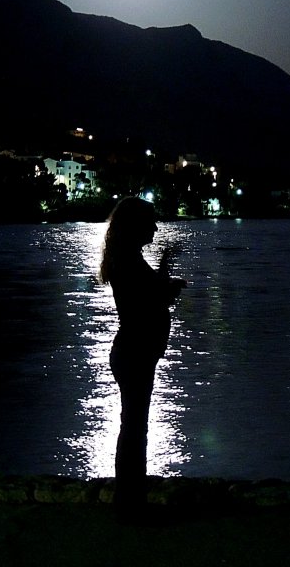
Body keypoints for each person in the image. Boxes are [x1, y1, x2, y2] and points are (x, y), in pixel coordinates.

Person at [99, 196, 186, 523]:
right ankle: (130, 505)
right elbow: (150, 300)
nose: (155, 226)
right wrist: (168, 283)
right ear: (135, 225)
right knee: (134, 430)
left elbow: (150, 294)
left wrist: (164, 267)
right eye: (150, 221)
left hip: (135, 351)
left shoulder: (127, 259)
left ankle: (131, 501)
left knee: (134, 427)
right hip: (135, 352)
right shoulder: (128, 262)